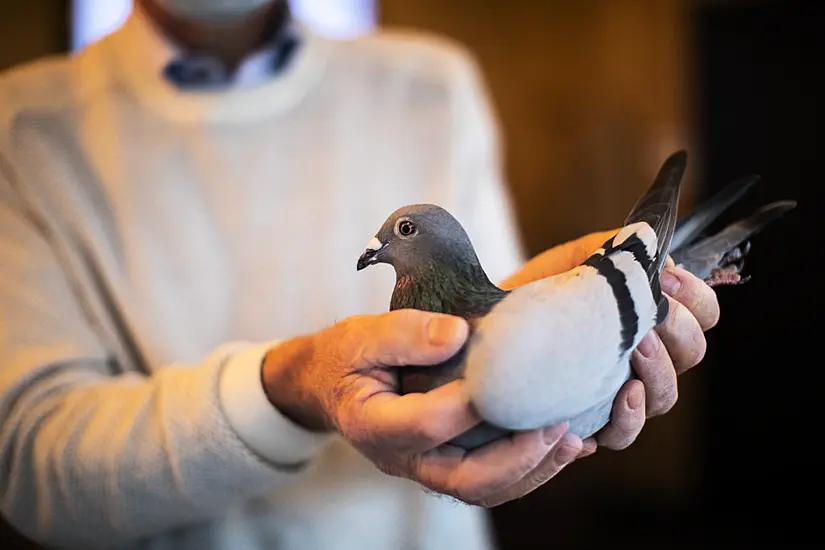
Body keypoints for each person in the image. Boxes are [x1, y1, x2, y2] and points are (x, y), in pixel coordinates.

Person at [0, 1, 720, 549]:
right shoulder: (22, 124)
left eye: (398, 234)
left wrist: (567, 331)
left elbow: (498, 301)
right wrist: (292, 388)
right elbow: (30, 465)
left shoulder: (432, 82)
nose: (379, 245)